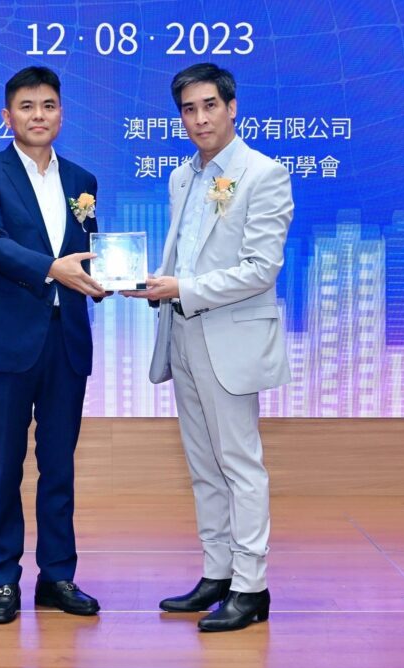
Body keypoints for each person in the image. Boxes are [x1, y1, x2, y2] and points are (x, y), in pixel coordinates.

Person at [125, 63, 293, 632]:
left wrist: (184, 289)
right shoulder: (182, 177)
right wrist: (156, 285)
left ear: (232, 107)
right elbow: (187, 255)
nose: (199, 119)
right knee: (203, 464)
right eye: (188, 109)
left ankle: (251, 587)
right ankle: (217, 573)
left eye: (209, 106)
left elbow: (261, 269)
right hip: (183, 331)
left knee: (240, 464)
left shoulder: (264, 174)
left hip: (231, 337)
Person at [0, 66, 106, 624]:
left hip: (65, 342)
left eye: (48, 105)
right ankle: (3, 579)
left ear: (61, 113)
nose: (38, 115)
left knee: (59, 465)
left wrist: (109, 280)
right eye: (27, 106)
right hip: (7, 343)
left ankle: (58, 576)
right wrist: (53, 269)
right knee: (4, 463)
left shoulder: (83, 180)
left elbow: (90, 253)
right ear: (8, 116)